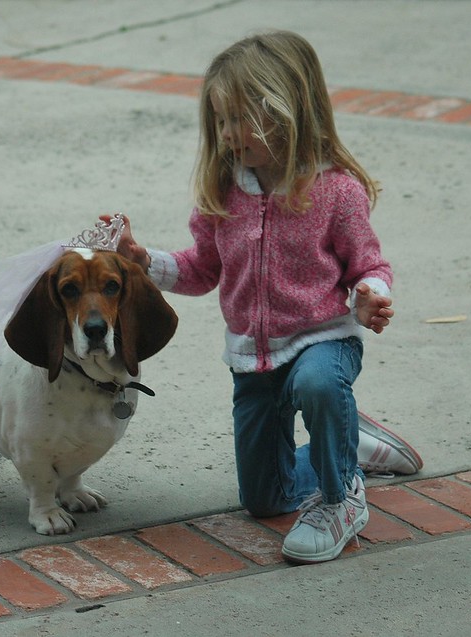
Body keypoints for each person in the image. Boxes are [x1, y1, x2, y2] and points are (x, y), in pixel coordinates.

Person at [105, 30, 422, 564]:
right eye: (220, 121)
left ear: (289, 110)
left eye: (239, 119)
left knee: (318, 382)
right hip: (252, 358)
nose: (228, 134)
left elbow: (370, 264)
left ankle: (340, 499)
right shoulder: (224, 190)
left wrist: (370, 295)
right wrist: (144, 262)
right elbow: (202, 269)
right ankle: (352, 445)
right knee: (264, 499)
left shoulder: (334, 191)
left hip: (323, 338)